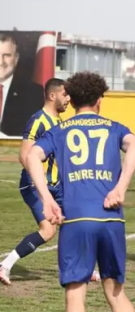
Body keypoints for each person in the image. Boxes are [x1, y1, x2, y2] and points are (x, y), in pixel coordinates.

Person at [25, 71, 135, 312]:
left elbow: (31, 156)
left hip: (76, 220)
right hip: (111, 218)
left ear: (72, 99)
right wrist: (121, 187)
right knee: (116, 292)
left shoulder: (60, 131)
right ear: (100, 100)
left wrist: (47, 198)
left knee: (75, 294)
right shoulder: (114, 127)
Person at [0, 78, 99, 285]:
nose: (68, 99)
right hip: (35, 186)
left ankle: (84, 268)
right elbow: (25, 156)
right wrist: (42, 187)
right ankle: (5, 265)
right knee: (48, 230)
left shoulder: (60, 124)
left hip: (57, 187)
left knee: (79, 221)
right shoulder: (38, 120)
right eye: (65, 94)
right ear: (52, 96)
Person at [0, 33, 45, 137]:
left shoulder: (33, 93)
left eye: (6, 55)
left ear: (16, 59)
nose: (1, 61)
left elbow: (36, 135)